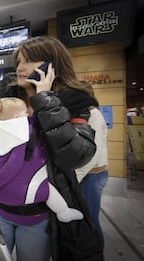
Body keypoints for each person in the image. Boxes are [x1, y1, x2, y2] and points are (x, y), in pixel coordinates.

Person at [0, 36, 102, 261]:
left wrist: (46, 100)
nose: (20, 67)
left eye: (29, 61)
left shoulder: (74, 101)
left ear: (52, 65)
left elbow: (75, 156)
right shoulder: (7, 97)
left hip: (38, 213)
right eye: (19, 61)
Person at [0, 97, 83, 223]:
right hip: (26, 194)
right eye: (24, 113)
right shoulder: (27, 130)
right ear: (15, 119)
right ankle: (64, 213)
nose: (27, 115)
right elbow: (43, 123)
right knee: (48, 191)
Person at [76, 81, 108, 249]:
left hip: (93, 175)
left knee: (90, 220)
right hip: (87, 174)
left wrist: (76, 177)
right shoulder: (84, 113)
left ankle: (96, 253)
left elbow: (93, 153)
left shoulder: (94, 114)